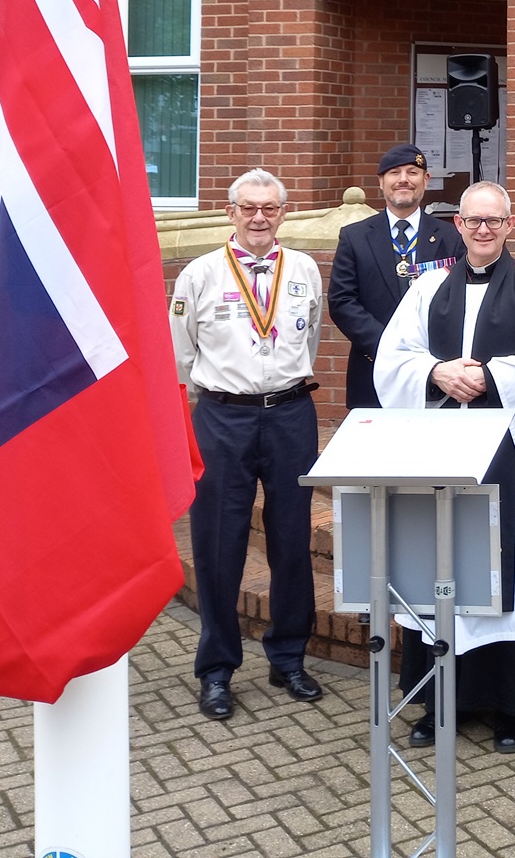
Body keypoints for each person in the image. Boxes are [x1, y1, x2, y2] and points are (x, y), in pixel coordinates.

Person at [374, 182, 515, 753]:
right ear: (457, 226)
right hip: (441, 450)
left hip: (512, 454)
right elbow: (395, 356)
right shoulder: (428, 286)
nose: (483, 230)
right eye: (473, 221)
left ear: (509, 226)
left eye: (494, 221)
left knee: (510, 573)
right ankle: (440, 701)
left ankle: (513, 706)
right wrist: (437, 372)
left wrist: (488, 376)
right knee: (441, 566)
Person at [170, 169, 326, 721]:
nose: (259, 216)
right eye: (249, 207)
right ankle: (216, 669)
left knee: (290, 541)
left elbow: (309, 335)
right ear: (230, 211)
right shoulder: (200, 274)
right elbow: (182, 354)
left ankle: (288, 658)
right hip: (223, 417)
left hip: (289, 415)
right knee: (218, 545)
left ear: (284, 213)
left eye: (270, 208)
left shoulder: (304, 269)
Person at [328, 144, 464, 409]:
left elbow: (461, 299)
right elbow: (343, 302)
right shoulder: (354, 237)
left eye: (412, 172)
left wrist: (427, 360)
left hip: (436, 373)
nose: (403, 179)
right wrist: (391, 348)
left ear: (426, 180)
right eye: (394, 173)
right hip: (372, 368)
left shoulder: (452, 238)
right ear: (381, 182)